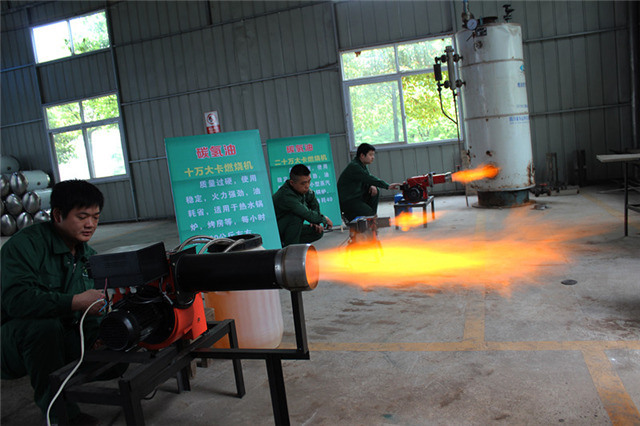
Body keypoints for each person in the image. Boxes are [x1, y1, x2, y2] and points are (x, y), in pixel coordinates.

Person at [1, 179, 108, 425]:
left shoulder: (87, 256)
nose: (90, 224)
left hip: (59, 334)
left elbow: (88, 311)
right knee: (43, 328)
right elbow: (17, 301)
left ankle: (65, 385)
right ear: (58, 215)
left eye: (95, 217)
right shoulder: (26, 246)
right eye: (82, 217)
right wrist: (75, 301)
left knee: (109, 339)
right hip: (11, 341)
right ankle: (60, 416)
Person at [273, 164, 333, 246]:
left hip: (291, 228)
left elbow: (313, 203)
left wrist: (316, 222)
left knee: (317, 232)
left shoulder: (303, 190)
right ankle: (290, 249)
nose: (307, 186)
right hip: (277, 230)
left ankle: (290, 244)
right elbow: (307, 214)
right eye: (303, 183)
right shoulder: (286, 196)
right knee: (296, 216)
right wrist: (324, 219)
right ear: (292, 183)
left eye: (309, 181)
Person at [337, 143, 401, 221]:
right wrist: (387, 186)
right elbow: (369, 178)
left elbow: (367, 179)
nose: (373, 157)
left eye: (373, 155)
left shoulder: (362, 165)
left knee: (375, 190)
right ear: (362, 155)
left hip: (357, 196)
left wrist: (371, 185)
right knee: (369, 213)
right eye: (370, 155)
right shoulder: (354, 166)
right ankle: (352, 216)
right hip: (349, 200)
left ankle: (371, 216)